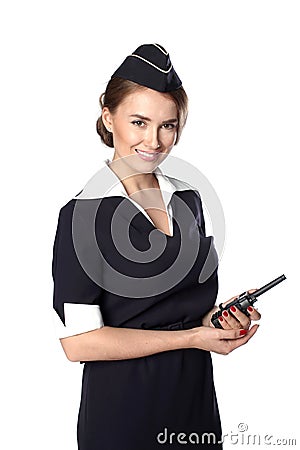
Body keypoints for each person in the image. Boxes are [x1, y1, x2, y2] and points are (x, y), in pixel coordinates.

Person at [51, 43, 261, 450]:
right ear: (108, 117)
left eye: (168, 125)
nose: (154, 140)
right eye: (140, 122)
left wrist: (216, 321)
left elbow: (179, 310)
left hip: (194, 408)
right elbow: (79, 344)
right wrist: (189, 339)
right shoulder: (82, 215)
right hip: (124, 415)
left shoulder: (188, 200)